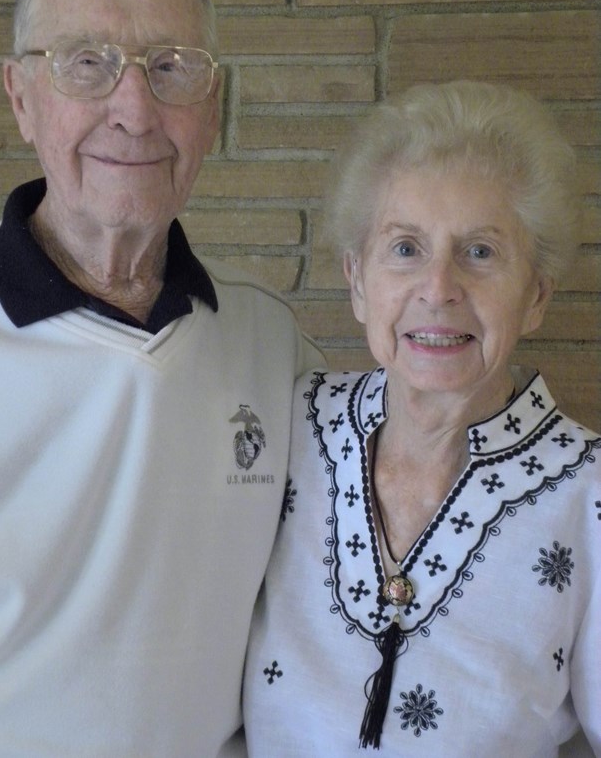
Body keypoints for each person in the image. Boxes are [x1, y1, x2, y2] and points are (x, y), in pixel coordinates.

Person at [0, 0, 323, 757]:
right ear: (21, 96)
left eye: (171, 67)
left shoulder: (275, 347)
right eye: (87, 63)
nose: (135, 108)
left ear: (212, 105)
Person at [243, 81, 600, 756]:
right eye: (405, 248)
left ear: (536, 296)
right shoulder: (290, 429)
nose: (438, 288)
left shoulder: (588, 495)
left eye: (481, 252)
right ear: (357, 280)